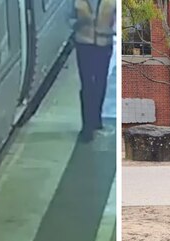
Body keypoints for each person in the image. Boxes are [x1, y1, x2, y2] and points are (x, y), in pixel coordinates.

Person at [70, 0, 115, 142]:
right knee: (87, 85)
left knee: (100, 82)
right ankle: (87, 126)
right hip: (84, 45)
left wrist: (112, 29)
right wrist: (78, 25)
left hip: (104, 45)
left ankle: (96, 118)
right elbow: (68, 18)